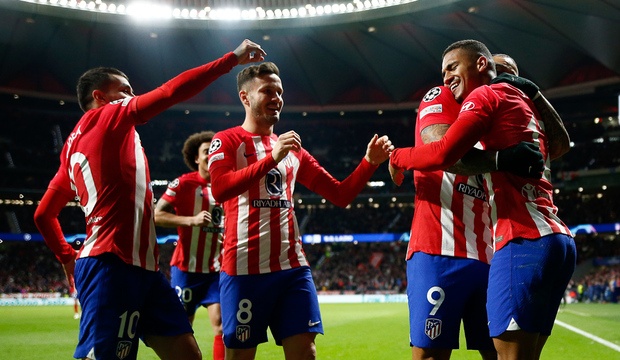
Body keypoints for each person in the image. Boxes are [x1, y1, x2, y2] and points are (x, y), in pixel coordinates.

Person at [33, 39, 266, 360]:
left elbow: (43, 215)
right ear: (99, 97)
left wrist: (66, 255)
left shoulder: (73, 150)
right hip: (110, 266)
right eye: (124, 90)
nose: (131, 97)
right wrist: (231, 60)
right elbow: (170, 91)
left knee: (187, 354)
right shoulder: (106, 117)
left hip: (142, 270)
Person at [389, 39, 576, 360]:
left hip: (506, 244)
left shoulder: (501, 101)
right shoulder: (444, 96)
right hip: (445, 248)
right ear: (483, 65)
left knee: (504, 354)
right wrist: (502, 158)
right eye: (499, 70)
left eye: (510, 75)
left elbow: (445, 153)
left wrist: (397, 156)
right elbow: (441, 150)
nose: (504, 79)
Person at [207, 62, 393, 360]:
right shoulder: (227, 140)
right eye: (267, 90)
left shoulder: (293, 151)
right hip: (244, 270)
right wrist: (271, 158)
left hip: (292, 269)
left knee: (306, 352)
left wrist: (369, 162)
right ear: (245, 97)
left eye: (279, 91)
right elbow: (220, 189)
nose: (277, 97)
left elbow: (340, 195)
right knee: (240, 356)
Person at [154, 131, 225, 360]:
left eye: (215, 150)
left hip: (215, 270)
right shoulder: (183, 183)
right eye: (207, 151)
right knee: (183, 327)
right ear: (196, 158)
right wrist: (190, 220)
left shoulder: (227, 186)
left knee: (222, 327)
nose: (212, 154)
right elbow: (156, 215)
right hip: (186, 270)